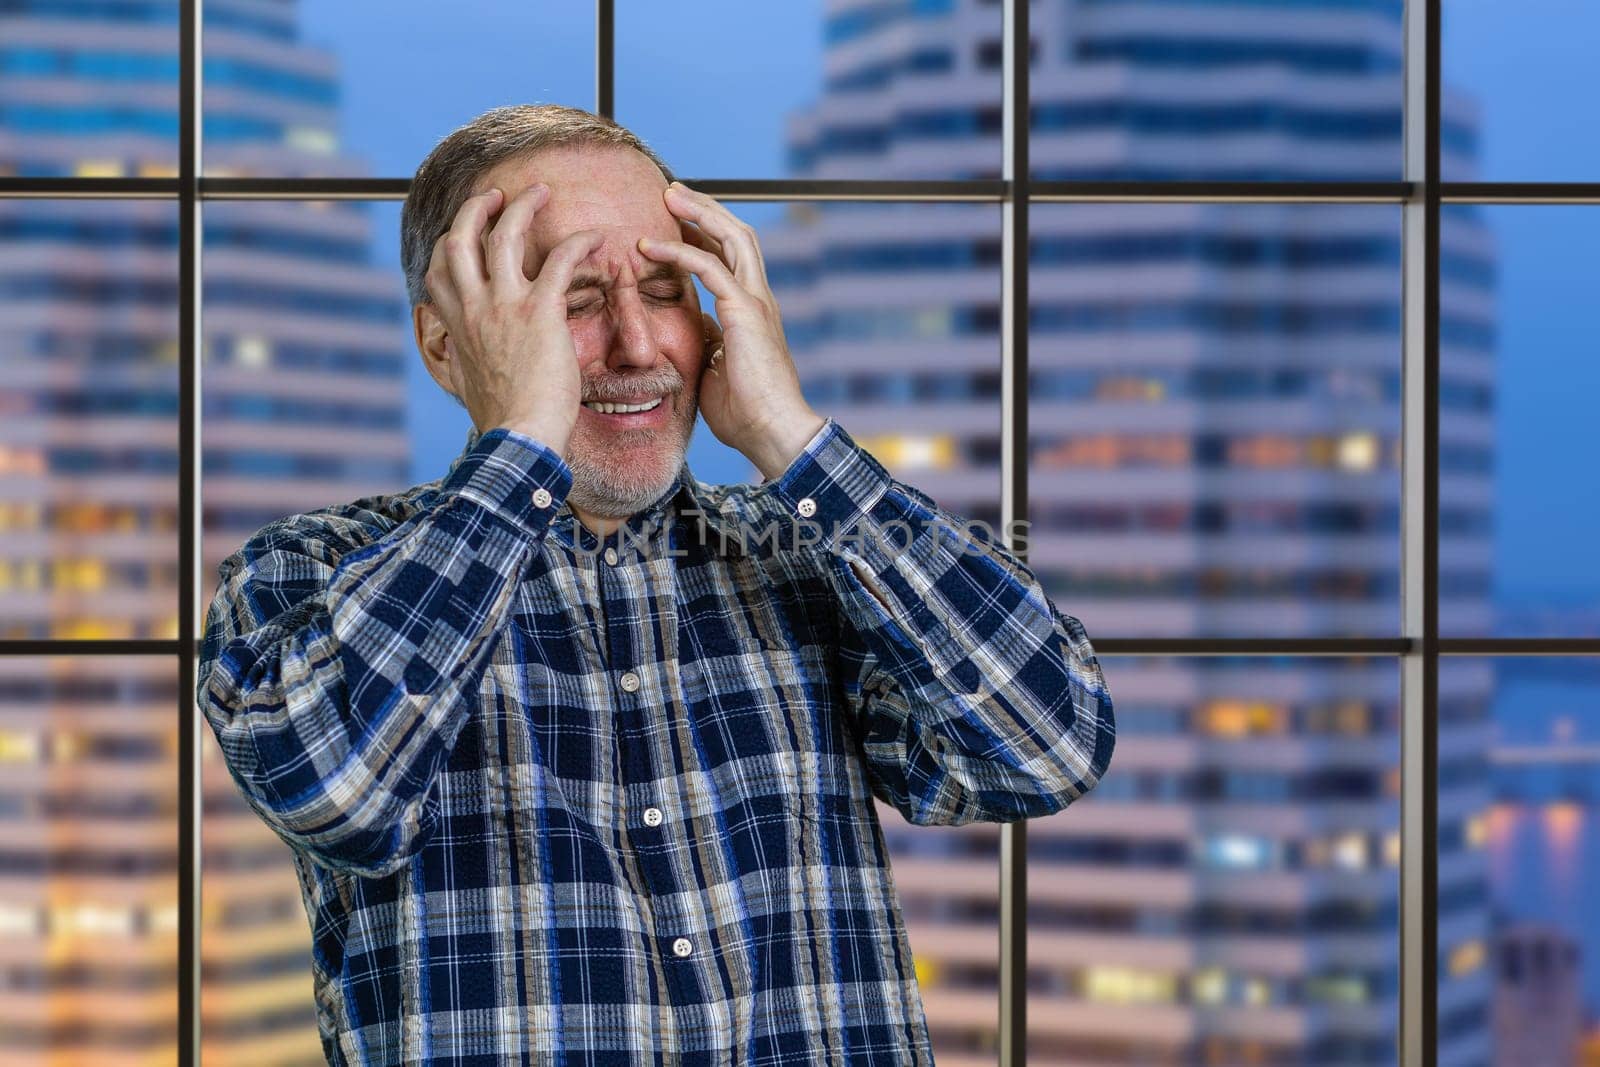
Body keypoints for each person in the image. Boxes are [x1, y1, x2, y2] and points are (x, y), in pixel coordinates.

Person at [196, 102, 1116, 1066]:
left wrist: (791, 441)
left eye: (668, 289)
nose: (638, 346)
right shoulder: (309, 574)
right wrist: (522, 447)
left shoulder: (808, 556)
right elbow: (336, 791)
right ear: (445, 343)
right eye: (574, 301)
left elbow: (1048, 743)